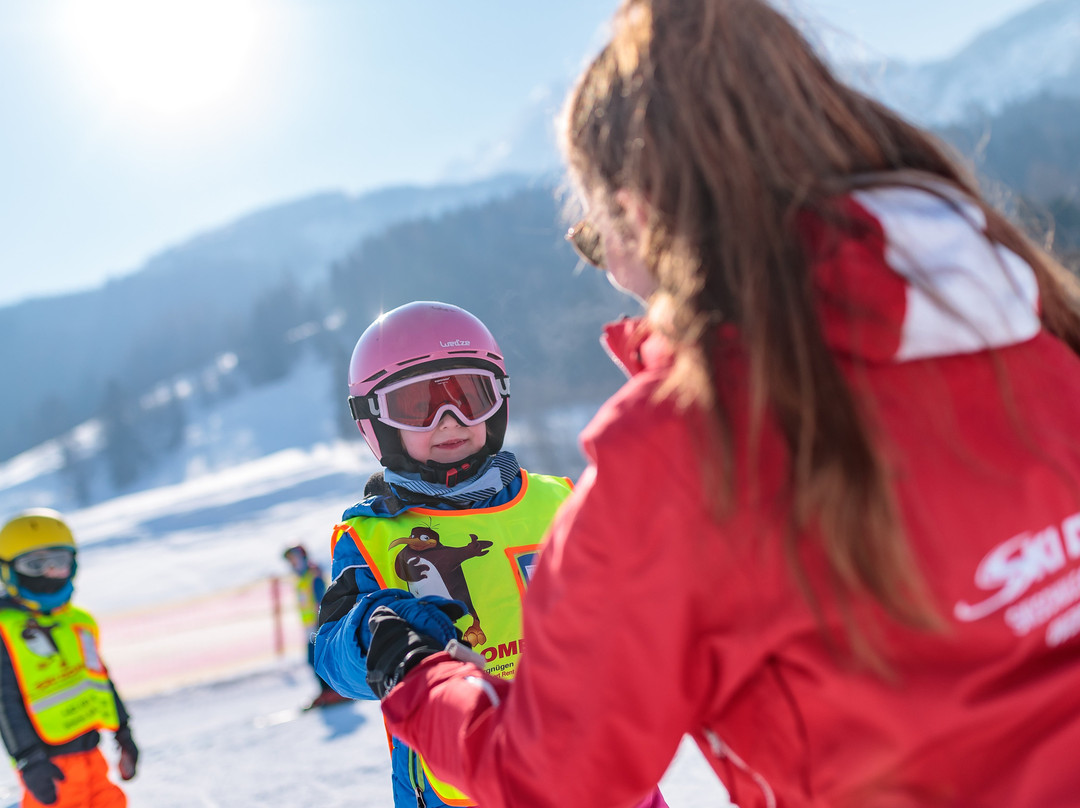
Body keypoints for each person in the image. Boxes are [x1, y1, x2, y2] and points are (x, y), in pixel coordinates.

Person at [361, 1, 1080, 807]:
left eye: (597, 240)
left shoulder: (682, 448)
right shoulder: (1034, 324)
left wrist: (416, 672)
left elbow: (552, 777)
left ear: (638, 215)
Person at [313, 301, 669, 808]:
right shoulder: (373, 537)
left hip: (602, 773)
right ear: (376, 421)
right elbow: (331, 653)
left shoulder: (560, 499)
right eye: (417, 406)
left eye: (468, 395)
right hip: (466, 783)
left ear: (497, 399)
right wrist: (377, 635)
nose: (449, 419)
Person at [0, 509, 139, 807]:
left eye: (58, 562)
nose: (49, 573)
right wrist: (27, 759)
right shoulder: (4, 629)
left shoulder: (78, 621)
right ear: (9, 570)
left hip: (92, 752)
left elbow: (100, 678)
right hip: (51, 765)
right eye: (35, 565)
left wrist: (123, 731)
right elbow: (4, 701)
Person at [282, 544, 348, 709]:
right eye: (290, 560)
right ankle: (326, 690)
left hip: (318, 625)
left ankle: (334, 689)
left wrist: (320, 624)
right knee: (313, 659)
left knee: (318, 658)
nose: (292, 563)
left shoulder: (313, 575)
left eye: (294, 558)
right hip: (309, 626)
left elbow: (321, 600)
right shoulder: (301, 577)